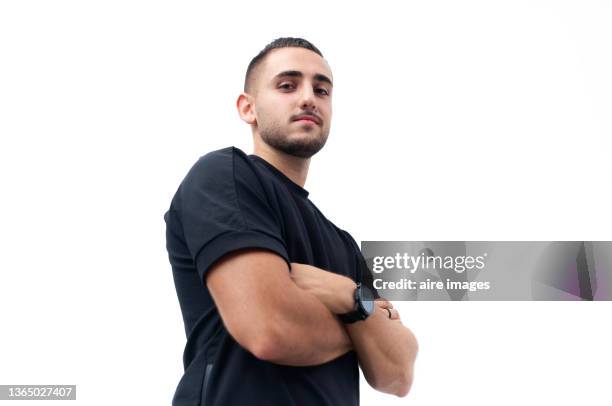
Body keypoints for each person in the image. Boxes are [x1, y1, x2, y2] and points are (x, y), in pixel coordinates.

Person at [164, 37, 418, 406]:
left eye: (322, 89)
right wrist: (365, 324)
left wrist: (345, 295)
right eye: (287, 85)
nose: (308, 98)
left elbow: (397, 374)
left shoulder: (343, 244)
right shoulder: (224, 177)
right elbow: (270, 329)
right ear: (247, 108)